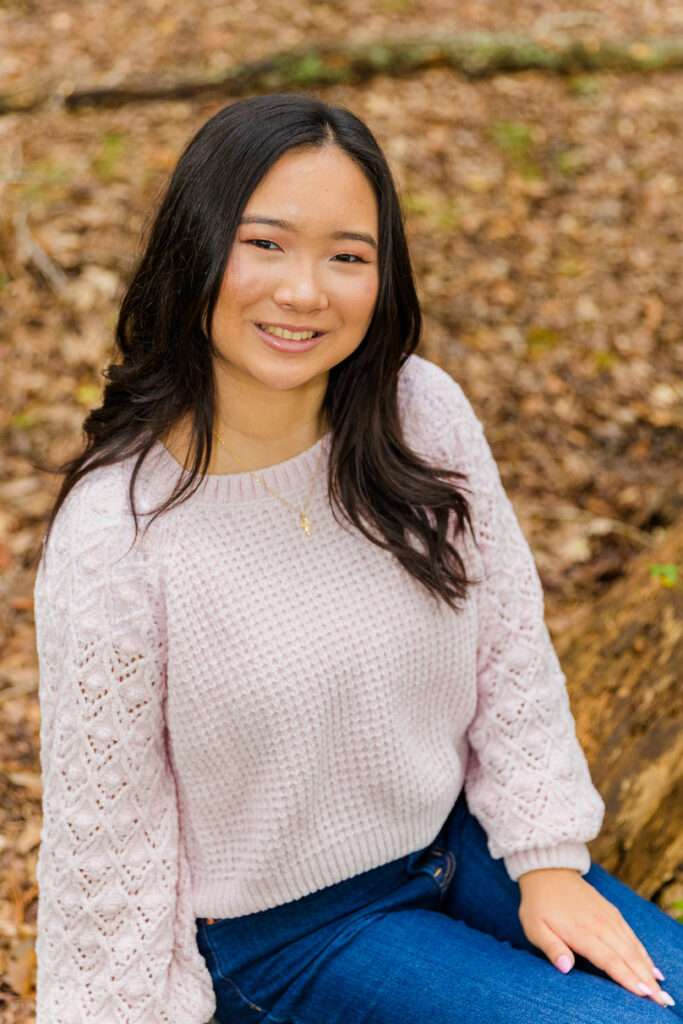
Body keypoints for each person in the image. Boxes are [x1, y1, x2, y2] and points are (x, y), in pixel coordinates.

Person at [32, 92, 681, 1024]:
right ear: (196, 250)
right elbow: (107, 841)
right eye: (265, 244)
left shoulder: (419, 413)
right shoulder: (118, 535)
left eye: (347, 256)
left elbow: (508, 646)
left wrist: (545, 863)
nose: (305, 291)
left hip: (462, 851)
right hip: (288, 936)